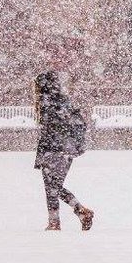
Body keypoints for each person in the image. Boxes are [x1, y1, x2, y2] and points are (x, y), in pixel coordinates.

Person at [34, 71, 94, 232]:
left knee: (51, 186)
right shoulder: (64, 101)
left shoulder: (47, 102)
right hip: (67, 151)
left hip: (52, 150)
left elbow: (48, 128)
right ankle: (80, 212)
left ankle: (56, 222)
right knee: (56, 186)